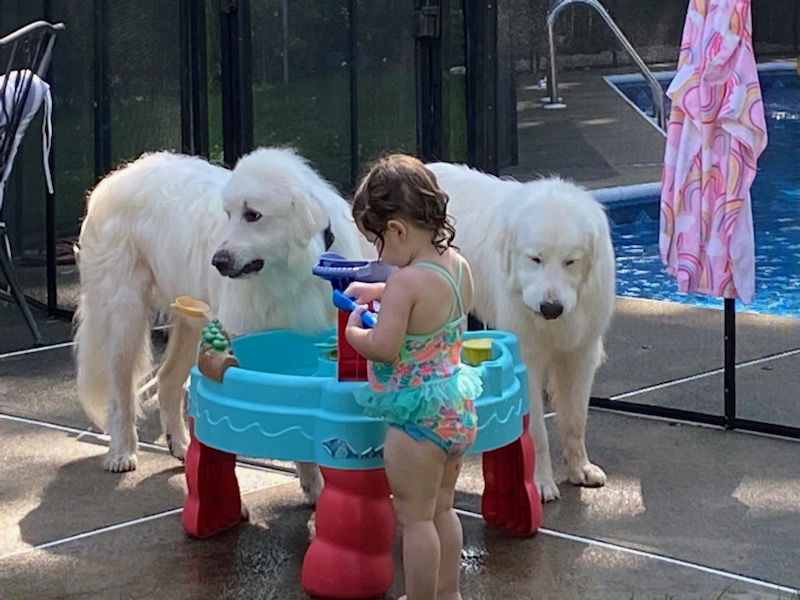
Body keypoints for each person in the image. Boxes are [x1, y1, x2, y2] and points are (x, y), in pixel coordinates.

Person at [345, 154, 482, 600]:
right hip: (456, 408)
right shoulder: (457, 266)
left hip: (415, 419)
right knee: (443, 509)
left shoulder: (405, 284)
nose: (378, 254)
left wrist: (355, 332)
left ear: (398, 230)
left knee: (415, 518)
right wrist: (381, 289)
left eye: (378, 243)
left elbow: (384, 347)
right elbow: (432, 297)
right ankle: (448, 594)